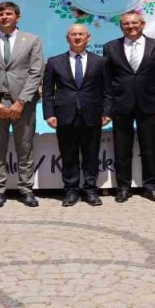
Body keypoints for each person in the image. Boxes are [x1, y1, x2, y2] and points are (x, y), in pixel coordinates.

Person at [0, 1, 45, 208]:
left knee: (25, 147)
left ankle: (26, 189)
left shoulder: (32, 40)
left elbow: (36, 72)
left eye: (8, 13)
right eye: (0, 14)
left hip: (24, 104)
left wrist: (21, 101)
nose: (4, 17)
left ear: (17, 17)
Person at [103, 11, 155, 203]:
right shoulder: (110, 47)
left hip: (149, 103)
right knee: (122, 149)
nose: (130, 26)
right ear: (121, 26)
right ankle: (123, 187)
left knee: (149, 148)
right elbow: (107, 81)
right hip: (120, 104)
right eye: (126, 24)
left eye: (134, 23)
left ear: (143, 24)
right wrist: (107, 108)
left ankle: (151, 186)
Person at [43, 24, 108, 207]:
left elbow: (107, 90)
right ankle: (71, 191)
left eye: (81, 34)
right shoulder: (54, 62)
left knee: (91, 155)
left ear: (88, 38)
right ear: (67, 38)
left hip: (92, 115)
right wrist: (49, 114)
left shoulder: (100, 62)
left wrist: (107, 112)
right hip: (65, 116)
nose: (77, 37)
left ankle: (90, 190)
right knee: (68, 155)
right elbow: (47, 92)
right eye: (73, 34)